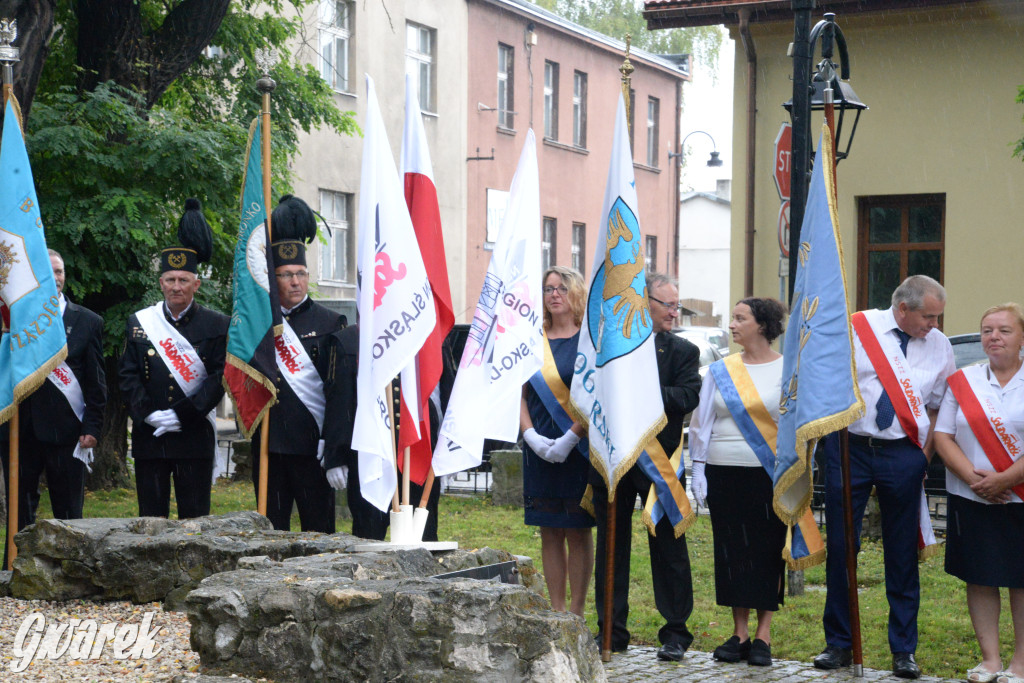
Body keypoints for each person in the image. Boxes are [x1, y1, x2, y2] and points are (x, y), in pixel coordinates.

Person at [814, 274, 955, 680]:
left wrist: (922, 458)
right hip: (851, 449)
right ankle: (839, 643)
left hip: (903, 454)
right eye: (928, 316)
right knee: (843, 546)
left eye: (937, 317)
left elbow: (935, 407)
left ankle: (903, 650)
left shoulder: (939, 346)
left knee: (901, 552)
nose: (934, 324)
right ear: (903, 308)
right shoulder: (859, 327)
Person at [591, 272, 701, 661]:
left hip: (659, 461)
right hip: (615, 458)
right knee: (611, 546)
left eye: (677, 305)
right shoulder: (610, 346)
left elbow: (687, 396)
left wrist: (640, 387)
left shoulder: (682, 352)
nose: (674, 312)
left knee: (670, 548)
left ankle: (675, 632)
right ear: (644, 302)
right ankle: (610, 629)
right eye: (667, 305)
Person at [689, 297, 788, 667]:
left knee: (766, 549)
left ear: (762, 325)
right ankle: (740, 632)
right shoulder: (720, 370)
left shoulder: (786, 370)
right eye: (733, 317)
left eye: (740, 318)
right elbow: (701, 422)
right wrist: (697, 467)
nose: (732, 324)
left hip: (767, 472)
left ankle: (763, 634)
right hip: (723, 470)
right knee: (732, 551)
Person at [119, 199, 228, 519]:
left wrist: (182, 415)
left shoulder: (217, 324)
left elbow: (218, 378)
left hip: (193, 437)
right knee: (150, 521)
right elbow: (128, 375)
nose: (176, 287)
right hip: (150, 438)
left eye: (183, 280)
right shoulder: (140, 322)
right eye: (170, 280)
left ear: (196, 283)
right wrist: (149, 414)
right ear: (160, 282)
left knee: (195, 521)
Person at [933, 303, 1024, 683]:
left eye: (1004, 330)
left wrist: (1005, 480)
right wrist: (976, 480)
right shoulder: (964, 379)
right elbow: (942, 435)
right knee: (980, 576)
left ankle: (1021, 664)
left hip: (1019, 497)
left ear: (1022, 337)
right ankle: (989, 660)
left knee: (1022, 579)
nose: (993, 337)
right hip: (971, 496)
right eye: (987, 330)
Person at [1, 250, 106, 567]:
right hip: (20, 430)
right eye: (49, 272)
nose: (56, 277)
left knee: (69, 509)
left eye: (60, 271)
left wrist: (92, 427)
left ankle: (73, 569)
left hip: (67, 431)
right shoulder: (14, 321)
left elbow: (96, 382)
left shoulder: (87, 321)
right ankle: (18, 568)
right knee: (20, 508)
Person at [251, 195, 344, 533]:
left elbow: (338, 392)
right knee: (269, 535)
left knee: (318, 534)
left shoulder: (331, 321)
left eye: (300, 274)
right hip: (269, 447)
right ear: (273, 278)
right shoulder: (259, 322)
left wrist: (332, 445)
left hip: (312, 448)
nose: (294, 282)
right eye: (285, 274)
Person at [520, 266, 593, 617]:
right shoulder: (532, 340)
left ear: (576, 292)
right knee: (549, 530)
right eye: (548, 288)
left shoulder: (589, 342)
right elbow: (517, 392)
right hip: (538, 448)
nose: (554, 294)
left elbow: (597, 397)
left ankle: (576, 613)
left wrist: (570, 437)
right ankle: (557, 609)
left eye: (561, 287)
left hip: (577, 448)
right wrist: (529, 435)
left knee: (577, 531)